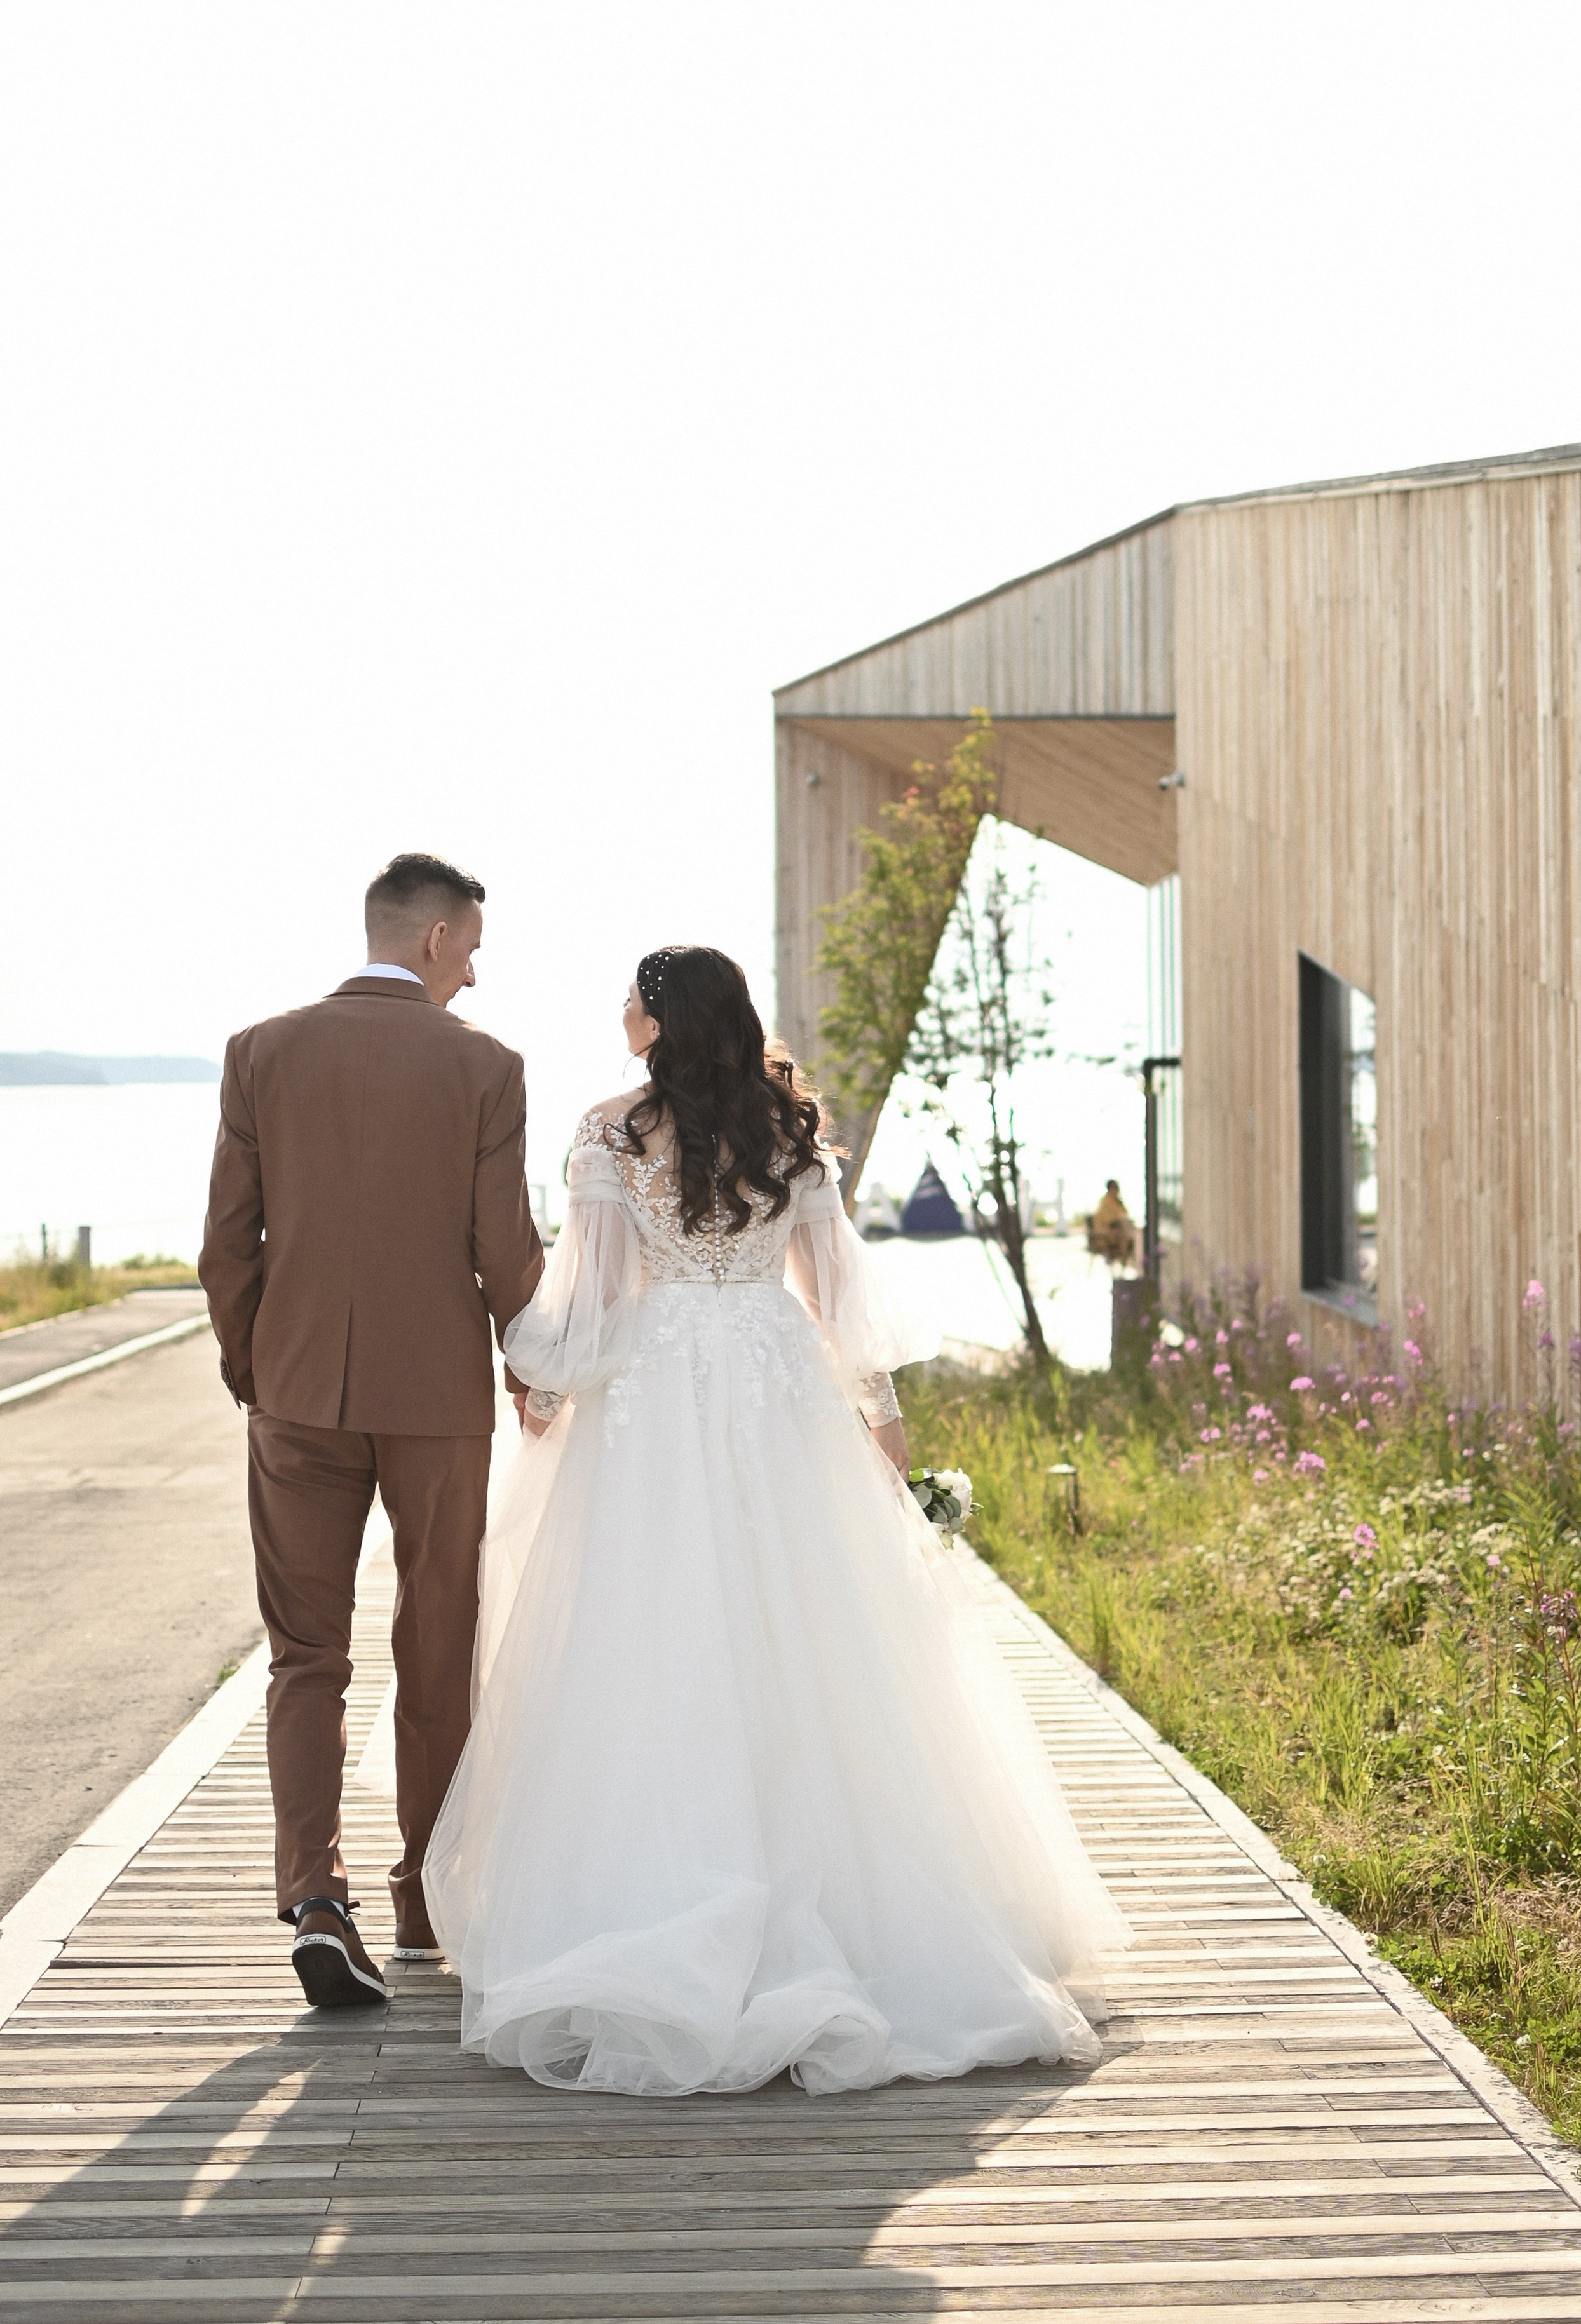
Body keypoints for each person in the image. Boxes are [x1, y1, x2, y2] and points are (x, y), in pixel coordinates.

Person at [424, 945, 1128, 2097]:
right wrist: (882, 1417)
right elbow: (838, 1289)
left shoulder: (608, 1131)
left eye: (631, 999)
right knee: (816, 1625)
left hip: (655, 1389)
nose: (619, 1014)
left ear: (658, 1019)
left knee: (651, 1628)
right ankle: (880, 1915)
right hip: (776, 1375)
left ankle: (655, 1896)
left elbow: (594, 1291)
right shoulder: (792, 1130)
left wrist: (546, 1383)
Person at [199, 853, 543, 2010]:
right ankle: (421, 1899)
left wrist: (261, 1371)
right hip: (437, 1401)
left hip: (295, 1393)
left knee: (306, 1656)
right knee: (435, 1644)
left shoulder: (261, 1052)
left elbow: (223, 1247)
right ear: (439, 940)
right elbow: (506, 1253)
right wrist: (532, 1366)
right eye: (476, 950)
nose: (478, 976)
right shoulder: (486, 1069)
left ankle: (313, 1896)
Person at [1089, 1177, 1139, 1267]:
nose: (1116, 1191)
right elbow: (1106, 1220)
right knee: (1124, 1232)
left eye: (1117, 1188)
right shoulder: (1105, 1201)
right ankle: (1124, 1259)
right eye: (1114, 1188)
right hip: (1108, 1233)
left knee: (1126, 1232)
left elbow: (1125, 1215)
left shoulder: (1118, 1202)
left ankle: (1125, 1259)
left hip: (1120, 1232)